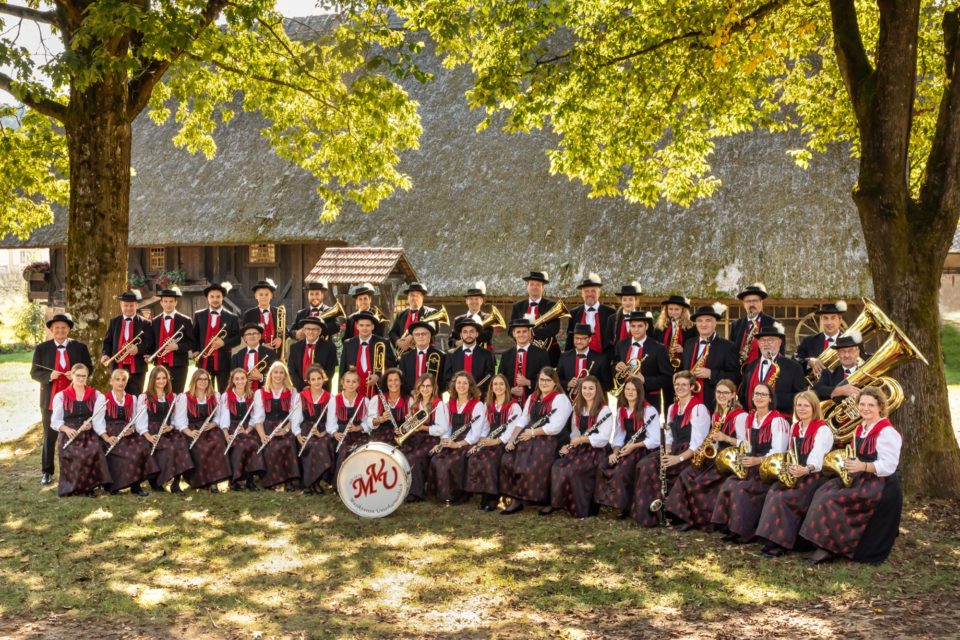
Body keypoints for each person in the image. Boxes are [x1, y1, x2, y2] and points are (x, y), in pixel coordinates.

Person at [799, 386, 903, 565]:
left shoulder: (887, 432)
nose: (865, 408)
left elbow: (890, 466)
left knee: (831, 499)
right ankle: (824, 542)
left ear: (880, 407)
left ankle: (828, 548)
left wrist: (863, 466)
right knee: (823, 490)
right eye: (862, 404)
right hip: (861, 476)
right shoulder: (861, 427)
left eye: (871, 405)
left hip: (880, 485)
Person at [755, 390, 834, 558]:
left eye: (806, 406)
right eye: (799, 405)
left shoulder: (822, 430)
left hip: (812, 475)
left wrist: (805, 469)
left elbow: (818, 456)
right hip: (796, 472)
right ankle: (771, 539)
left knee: (783, 498)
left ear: (814, 408)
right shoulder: (795, 426)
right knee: (774, 491)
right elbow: (791, 452)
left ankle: (781, 543)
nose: (802, 409)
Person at [710, 382, 790, 543]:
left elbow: (779, 452)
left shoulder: (778, 421)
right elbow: (747, 444)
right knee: (730, 482)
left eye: (763, 394)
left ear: (770, 399)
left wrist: (756, 460)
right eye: (756, 394)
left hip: (768, 469)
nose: (759, 397)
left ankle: (746, 532)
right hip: (752, 463)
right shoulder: (751, 418)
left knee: (741, 488)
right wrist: (743, 456)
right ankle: (732, 527)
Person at [630, 371, 710, 526]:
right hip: (674, 449)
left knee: (666, 468)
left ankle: (670, 512)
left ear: (692, 387)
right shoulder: (673, 407)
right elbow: (669, 436)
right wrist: (667, 451)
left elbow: (698, 444)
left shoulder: (698, 409)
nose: (680, 387)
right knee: (645, 464)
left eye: (684, 384)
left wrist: (677, 458)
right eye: (677, 384)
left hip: (690, 454)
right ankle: (651, 513)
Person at [664, 379, 746, 530]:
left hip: (732, 460)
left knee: (700, 481)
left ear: (733, 395)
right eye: (718, 392)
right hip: (717, 456)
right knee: (687, 473)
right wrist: (705, 448)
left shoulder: (740, 416)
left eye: (726, 393)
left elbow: (747, 445)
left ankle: (702, 521)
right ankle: (681, 516)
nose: (721, 395)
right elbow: (715, 442)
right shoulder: (717, 415)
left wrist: (727, 438)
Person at [499, 367, 574, 515]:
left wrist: (533, 433)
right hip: (529, 434)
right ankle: (516, 499)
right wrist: (512, 439)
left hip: (552, 438)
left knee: (535, 459)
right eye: (541, 380)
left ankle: (544, 499)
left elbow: (555, 427)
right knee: (509, 457)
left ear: (555, 382)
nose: (544, 383)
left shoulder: (561, 399)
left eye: (548, 380)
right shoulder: (533, 397)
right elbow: (523, 419)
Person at [31, 312, 93, 485]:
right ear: (51, 330)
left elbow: (89, 368)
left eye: (63, 328)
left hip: (75, 399)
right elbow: (34, 372)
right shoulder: (42, 348)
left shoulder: (80, 348)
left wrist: (76, 374)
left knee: (76, 434)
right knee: (49, 436)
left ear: (68, 329)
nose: (60, 330)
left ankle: (76, 469)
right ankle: (47, 471)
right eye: (56, 328)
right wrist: (49, 375)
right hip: (50, 398)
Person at [541, 376, 613, 518]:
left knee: (573, 470)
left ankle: (580, 507)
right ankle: (558, 503)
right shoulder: (579, 408)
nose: (587, 391)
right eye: (584, 388)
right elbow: (575, 433)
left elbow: (604, 438)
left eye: (591, 388)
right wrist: (569, 446)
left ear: (597, 390)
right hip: (580, 448)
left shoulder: (604, 410)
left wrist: (582, 439)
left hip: (597, 450)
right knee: (557, 466)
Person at [594, 377, 661, 518]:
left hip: (643, 448)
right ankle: (607, 503)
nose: (630, 392)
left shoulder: (649, 410)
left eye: (633, 390)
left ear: (639, 392)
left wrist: (634, 446)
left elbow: (655, 439)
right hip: (627, 446)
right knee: (604, 465)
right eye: (627, 389)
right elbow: (619, 435)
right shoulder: (621, 410)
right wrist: (615, 452)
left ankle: (622, 507)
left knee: (622, 471)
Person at [50, 363, 111, 497]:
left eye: (84, 376)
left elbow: (98, 421)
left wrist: (90, 425)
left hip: (87, 434)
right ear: (71, 376)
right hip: (68, 434)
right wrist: (66, 429)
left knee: (93, 450)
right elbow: (55, 421)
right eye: (78, 375)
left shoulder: (96, 395)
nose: (81, 379)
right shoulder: (61, 396)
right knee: (75, 454)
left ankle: (89, 487)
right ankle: (71, 485)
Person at [428, 372, 488, 505]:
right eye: (459, 383)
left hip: (467, 442)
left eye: (465, 383)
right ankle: (441, 494)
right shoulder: (449, 403)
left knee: (452, 462)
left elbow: (475, 433)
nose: (461, 386)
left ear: (470, 386)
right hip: (451, 439)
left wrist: (458, 444)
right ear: (454, 385)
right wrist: (444, 441)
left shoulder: (477, 405)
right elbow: (447, 427)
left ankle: (459, 494)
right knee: (437, 459)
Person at [465, 374, 522, 511]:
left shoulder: (514, 406)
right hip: (490, 439)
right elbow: (485, 426)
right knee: (475, 458)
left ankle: (492, 497)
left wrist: (496, 441)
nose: (498, 387)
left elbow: (512, 429)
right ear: (491, 387)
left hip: (505, 442)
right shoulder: (488, 405)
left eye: (501, 384)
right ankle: (484, 494)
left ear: (506, 387)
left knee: (490, 462)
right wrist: (482, 440)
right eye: (495, 384)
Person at [138, 365, 193, 494]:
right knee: (169, 448)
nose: (161, 381)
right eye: (158, 378)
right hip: (151, 431)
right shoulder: (144, 397)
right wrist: (148, 436)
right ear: (152, 380)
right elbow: (140, 421)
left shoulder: (173, 397)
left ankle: (176, 484)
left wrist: (171, 427)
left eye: (164, 378)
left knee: (181, 444)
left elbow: (175, 418)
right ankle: (156, 481)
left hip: (167, 430)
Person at [100, 368, 154, 496]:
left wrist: (132, 429)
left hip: (127, 433)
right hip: (110, 434)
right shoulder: (103, 398)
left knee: (141, 448)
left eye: (123, 380)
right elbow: (98, 421)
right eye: (117, 379)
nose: (121, 382)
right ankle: (114, 485)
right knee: (123, 453)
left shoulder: (132, 398)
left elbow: (134, 419)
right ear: (111, 381)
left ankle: (136, 485)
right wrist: (106, 437)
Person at [176, 369, 231, 493]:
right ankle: (200, 480)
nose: (203, 381)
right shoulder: (185, 397)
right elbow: (180, 420)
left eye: (205, 379)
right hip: (192, 429)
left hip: (209, 427)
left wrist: (213, 424)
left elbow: (218, 415)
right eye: (200, 379)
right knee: (200, 447)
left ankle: (214, 481)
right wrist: (189, 432)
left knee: (218, 442)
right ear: (194, 381)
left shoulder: (215, 396)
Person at [398, 373, 450, 503]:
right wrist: (409, 422)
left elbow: (442, 428)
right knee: (402, 454)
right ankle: (402, 488)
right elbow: (411, 427)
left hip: (431, 438)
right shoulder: (415, 403)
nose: (425, 389)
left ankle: (415, 493)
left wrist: (424, 428)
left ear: (433, 388)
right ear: (418, 387)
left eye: (428, 386)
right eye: (422, 386)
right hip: (416, 437)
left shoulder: (438, 404)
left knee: (416, 457)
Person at [251, 362, 302, 491]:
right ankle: (273, 480)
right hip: (267, 426)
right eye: (275, 372)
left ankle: (288, 480)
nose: (278, 375)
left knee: (289, 443)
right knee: (271, 446)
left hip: (286, 425)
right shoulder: (260, 393)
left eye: (281, 372)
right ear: (270, 375)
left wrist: (285, 430)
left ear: (285, 375)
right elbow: (258, 418)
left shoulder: (292, 392)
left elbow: (294, 416)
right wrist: (262, 435)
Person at [681, 304, 741, 412]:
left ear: (715, 323)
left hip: (715, 404)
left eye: (708, 320)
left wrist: (711, 374)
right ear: (696, 323)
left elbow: (736, 377)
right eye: (699, 321)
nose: (703, 324)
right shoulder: (689, 344)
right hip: (689, 401)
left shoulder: (728, 347)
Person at [739, 322, 807, 414]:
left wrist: (772, 398)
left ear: (779, 343)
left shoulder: (794, 367)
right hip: (752, 418)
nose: (766, 344)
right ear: (758, 343)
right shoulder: (750, 366)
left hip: (781, 418)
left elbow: (801, 396)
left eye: (770, 340)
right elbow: (743, 395)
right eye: (763, 340)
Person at [611, 310, 673, 405]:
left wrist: (645, 380)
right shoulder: (621, 345)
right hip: (625, 398)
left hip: (649, 399)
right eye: (633, 326)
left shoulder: (659, 348)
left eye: (640, 326)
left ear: (646, 326)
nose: (636, 329)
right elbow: (613, 364)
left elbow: (668, 377)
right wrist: (616, 367)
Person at [219, 368, 265, 492]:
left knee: (253, 443)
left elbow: (255, 416)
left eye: (242, 378)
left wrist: (247, 430)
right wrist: (226, 435)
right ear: (232, 381)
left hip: (247, 427)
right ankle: (234, 479)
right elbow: (224, 417)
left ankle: (250, 479)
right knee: (239, 445)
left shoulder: (252, 395)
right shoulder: (226, 396)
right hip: (231, 427)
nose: (240, 381)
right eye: (237, 379)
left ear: (246, 380)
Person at [101, 289, 155, 395]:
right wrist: (105, 354)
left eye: (131, 305)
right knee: (118, 395)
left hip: (137, 368)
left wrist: (138, 349)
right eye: (125, 305)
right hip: (117, 367)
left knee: (136, 396)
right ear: (121, 305)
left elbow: (150, 343)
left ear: (136, 305)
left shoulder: (145, 323)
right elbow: (107, 342)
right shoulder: (114, 322)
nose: (128, 308)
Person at [192, 282, 241, 392]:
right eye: (212, 296)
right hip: (204, 360)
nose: (215, 299)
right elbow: (194, 336)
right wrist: (195, 350)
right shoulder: (199, 315)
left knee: (224, 391)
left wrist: (224, 343)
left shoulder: (232, 317)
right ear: (208, 298)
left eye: (218, 296)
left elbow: (237, 339)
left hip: (223, 360)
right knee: (204, 391)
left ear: (222, 298)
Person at [339, 311, 396, 399]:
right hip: (353, 392)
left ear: (372, 327)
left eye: (368, 325)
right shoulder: (348, 344)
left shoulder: (383, 343)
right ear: (357, 326)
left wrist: (379, 376)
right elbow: (343, 370)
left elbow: (392, 366)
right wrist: (342, 392)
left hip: (377, 392)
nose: (364, 328)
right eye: (361, 325)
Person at [510, 270, 562, 365]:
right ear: (527, 287)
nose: (534, 287)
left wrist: (533, 333)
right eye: (532, 284)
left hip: (549, 353)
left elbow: (555, 328)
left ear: (542, 288)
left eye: (538, 284)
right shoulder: (517, 306)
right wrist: (524, 338)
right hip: (523, 351)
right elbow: (511, 330)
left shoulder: (551, 305)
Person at [297, 365, 335, 495]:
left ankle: (316, 481)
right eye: (313, 379)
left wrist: (322, 433)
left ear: (324, 379)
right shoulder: (301, 396)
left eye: (319, 378)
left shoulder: (330, 398)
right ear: (308, 381)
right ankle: (308, 483)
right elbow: (296, 419)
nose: (317, 382)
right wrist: (298, 435)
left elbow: (331, 421)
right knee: (309, 445)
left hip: (323, 429)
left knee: (321, 445)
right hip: (306, 428)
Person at [150, 287, 195, 392]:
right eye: (165, 301)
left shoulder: (186, 320)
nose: (168, 304)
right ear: (161, 303)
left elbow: (192, 343)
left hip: (179, 366)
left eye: (171, 301)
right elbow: (152, 343)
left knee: (177, 394)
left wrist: (177, 346)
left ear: (176, 302)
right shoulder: (155, 321)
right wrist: (149, 354)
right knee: (160, 394)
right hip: (160, 365)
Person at [498, 317, 550, 406]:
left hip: (535, 403)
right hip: (509, 403)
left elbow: (549, 380)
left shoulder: (541, 354)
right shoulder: (506, 355)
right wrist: (510, 390)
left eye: (524, 331)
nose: (521, 335)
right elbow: (500, 379)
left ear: (530, 333)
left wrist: (528, 382)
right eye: (518, 332)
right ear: (513, 334)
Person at [328, 368, 370, 474]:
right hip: (341, 434)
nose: (351, 384)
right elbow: (330, 422)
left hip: (359, 434)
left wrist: (358, 428)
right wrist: (335, 433)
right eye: (348, 381)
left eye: (354, 381)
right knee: (344, 451)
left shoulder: (365, 400)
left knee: (361, 451)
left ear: (358, 384)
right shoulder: (334, 400)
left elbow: (368, 421)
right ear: (342, 383)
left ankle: (360, 480)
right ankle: (341, 480)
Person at [729, 282, 781, 365]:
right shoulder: (736, 324)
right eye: (748, 301)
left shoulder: (775, 324)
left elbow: (780, 354)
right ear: (744, 304)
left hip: (764, 369)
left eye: (755, 301)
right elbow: (731, 351)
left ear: (761, 302)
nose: (751, 304)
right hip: (740, 370)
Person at [794, 301, 847, 379]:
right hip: (816, 386)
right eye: (825, 318)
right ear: (821, 320)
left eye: (833, 318)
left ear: (840, 320)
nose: (829, 322)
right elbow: (794, 360)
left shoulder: (851, 342)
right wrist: (809, 361)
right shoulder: (808, 341)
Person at [564, 274, 615, 355]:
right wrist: (566, 357)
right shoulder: (574, 313)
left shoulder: (611, 313)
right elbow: (570, 339)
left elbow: (613, 340)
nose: (590, 294)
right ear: (582, 294)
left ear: (599, 293)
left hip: (604, 358)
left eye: (593, 291)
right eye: (586, 291)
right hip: (579, 357)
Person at [558, 323, 612, 395]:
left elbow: (609, 385)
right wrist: (568, 383)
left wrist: (591, 386)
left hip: (593, 400)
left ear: (590, 339)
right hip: (569, 399)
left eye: (583, 338)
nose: (579, 341)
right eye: (576, 338)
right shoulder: (564, 357)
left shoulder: (601, 359)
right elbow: (557, 379)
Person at [443, 318, 495, 392]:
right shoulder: (451, 355)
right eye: (465, 332)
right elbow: (447, 378)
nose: (468, 335)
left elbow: (490, 377)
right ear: (461, 335)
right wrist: (458, 391)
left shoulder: (487, 354)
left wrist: (478, 391)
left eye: (471, 331)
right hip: (457, 396)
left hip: (480, 396)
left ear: (477, 334)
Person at [287, 316, 338, 391]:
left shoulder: (330, 347)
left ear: (320, 331)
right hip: (300, 390)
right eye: (308, 329)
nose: (311, 332)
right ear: (304, 330)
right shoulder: (295, 347)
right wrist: (302, 387)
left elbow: (330, 371)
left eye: (314, 329)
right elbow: (292, 370)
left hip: (321, 390)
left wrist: (316, 386)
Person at [813, 332, 865, 401]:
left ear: (857, 352)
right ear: (838, 354)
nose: (846, 355)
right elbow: (815, 391)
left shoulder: (866, 372)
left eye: (850, 351)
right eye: (842, 351)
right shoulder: (828, 373)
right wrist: (839, 390)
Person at [389, 282, 437, 355]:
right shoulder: (401, 315)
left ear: (422, 298)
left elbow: (432, 328)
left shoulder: (430, 312)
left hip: (425, 353)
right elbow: (392, 333)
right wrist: (398, 342)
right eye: (411, 295)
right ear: (408, 298)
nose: (414, 298)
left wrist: (412, 335)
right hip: (404, 355)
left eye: (417, 295)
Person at [398, 320, 445, 395]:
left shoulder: (441, 356)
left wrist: (432, 392)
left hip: (433, 397)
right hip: (411, 397)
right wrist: (410, 392)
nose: (420, 336)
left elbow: (445, 380)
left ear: (430, 336)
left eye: (424, 334)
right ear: (413, 337)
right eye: (417, 334)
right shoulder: (405, 357)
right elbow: (401, 379)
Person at [229, 322, 278, 391]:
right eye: (248, 334)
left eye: (255, 333)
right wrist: (242, 381)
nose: (252, 336)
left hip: (264, 391)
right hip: (243, 392)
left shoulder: (271, 354)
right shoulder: (237, 356)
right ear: (244, 338)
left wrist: (261, 377)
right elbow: (233, 377)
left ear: (260, 336)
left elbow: (277, 375)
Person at [447, 282, 496, 350]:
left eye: (476, 299)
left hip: (482, 354)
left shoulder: (488, 318)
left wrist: (467, 339)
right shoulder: (458, 320)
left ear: (481, 301)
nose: (474, 301)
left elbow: (487, 337)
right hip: (463, 354)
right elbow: (451, 340)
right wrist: (456, 343)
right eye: (471, 299)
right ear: (466, 301)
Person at [242, 279, 285, 353]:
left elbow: (285, 331)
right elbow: (245, 335)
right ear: (256, 296)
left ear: (271, 296)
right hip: (257, 351)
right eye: (261, 294)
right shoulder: (249, 314)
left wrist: (280, 339)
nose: (264, 297)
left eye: (267, 294)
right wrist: (262, 345)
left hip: (276, 351)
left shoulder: (279, 312)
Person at [605, 282, 643, 352]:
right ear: (621, 301)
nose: (628, 303)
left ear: (636, 300)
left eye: (631, 299)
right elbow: (608, 344)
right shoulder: (612, 319)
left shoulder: (643, 319)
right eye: (624, 300)